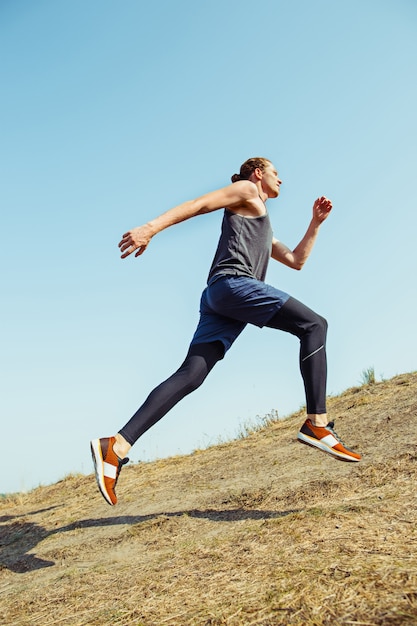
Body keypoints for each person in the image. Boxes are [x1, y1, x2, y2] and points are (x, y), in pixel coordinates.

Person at [91, 157, 361, 506]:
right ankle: (317, 424)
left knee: (192, 374)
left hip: (221, 299)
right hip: (233, 287)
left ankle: (116, 446)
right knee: (314, 325)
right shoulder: (247, 190)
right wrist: (150, 228)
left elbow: (296, 260)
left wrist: (316, 223)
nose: (282, 180)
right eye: (277, 173)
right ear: (259, 174)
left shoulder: (262, 223)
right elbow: (198, 204)